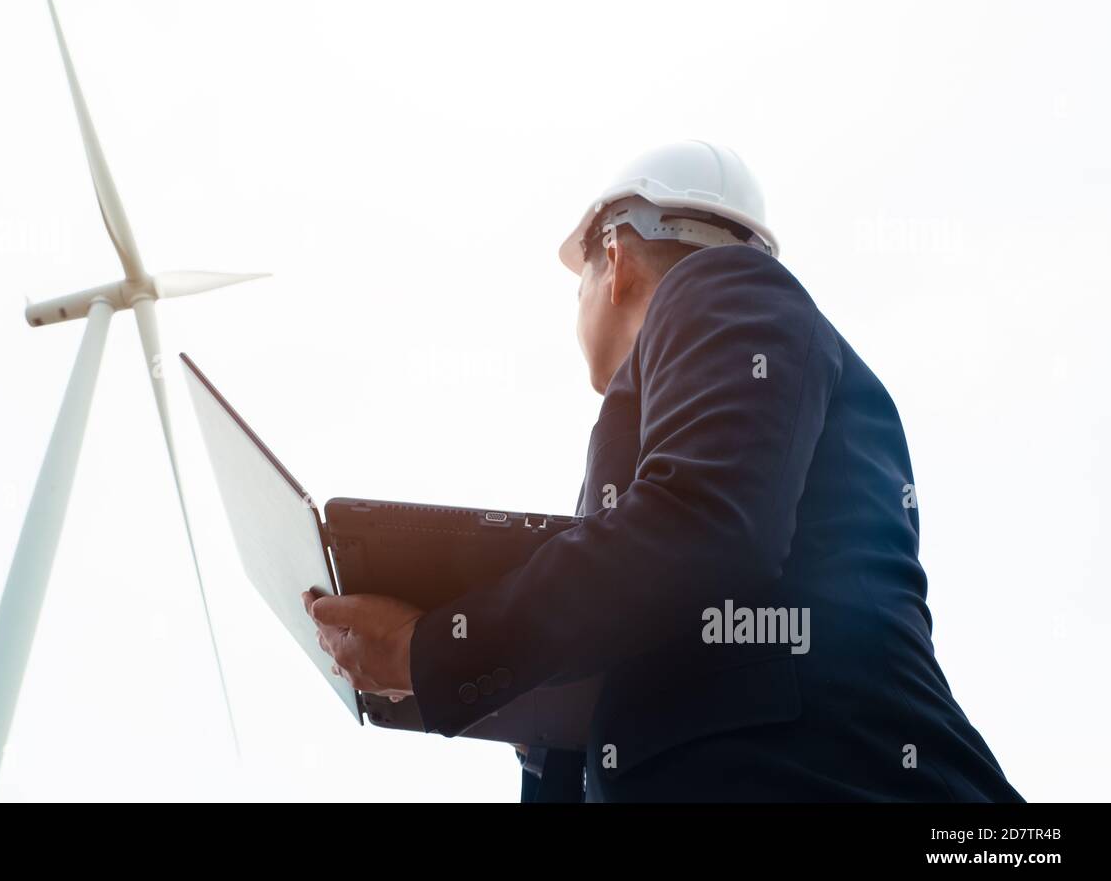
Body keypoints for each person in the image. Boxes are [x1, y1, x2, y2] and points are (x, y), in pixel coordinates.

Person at [302, 140, 1023, 802]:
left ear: (613, 259)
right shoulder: (674, 409)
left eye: (575, 279)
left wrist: (429, 651)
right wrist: (520, 700)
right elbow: (650, 601)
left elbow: (702, 527)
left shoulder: (725, 285)